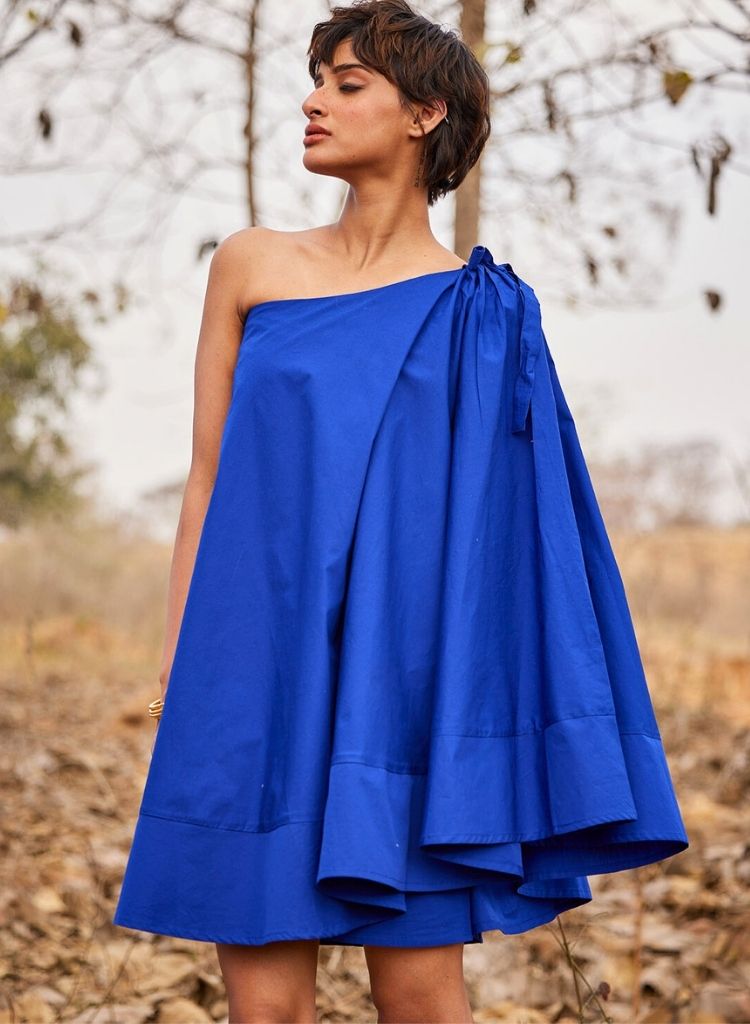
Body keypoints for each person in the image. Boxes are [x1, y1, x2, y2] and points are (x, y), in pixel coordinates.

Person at [112, 1, 689, 1021]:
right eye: (315, 82)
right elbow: (207, 479)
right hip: (255, 662)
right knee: (265, 1009)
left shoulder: (487, 310)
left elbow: (518, 544)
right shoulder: (251, 264)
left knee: (421, 997)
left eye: (347, 85)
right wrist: (181, 659)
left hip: (406, 682)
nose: (313, 102)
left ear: (425, 113)